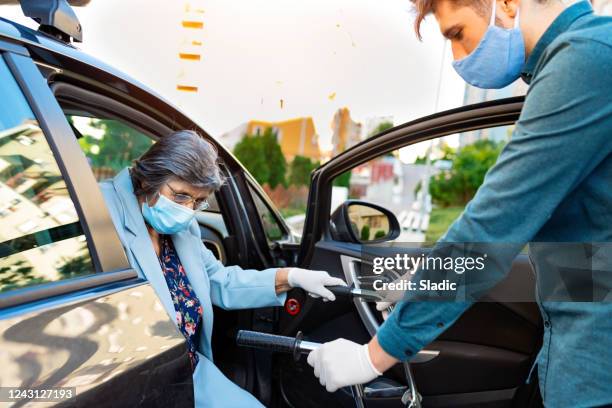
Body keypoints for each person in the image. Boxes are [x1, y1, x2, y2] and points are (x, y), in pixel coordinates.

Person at [307, 0, 612, 406]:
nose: (456, 57)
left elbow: (493, 226)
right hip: (570, 353)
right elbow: (591, 247)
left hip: (593, 377)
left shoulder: (586, 59)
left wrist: (374, 355)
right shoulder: (577, 59)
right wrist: (424, 283)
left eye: (456, 34)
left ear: (505, 3)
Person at [100, 130, 346, 408]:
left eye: (199, 200)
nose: (189, 209)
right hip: (132, 385)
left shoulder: (184, 226)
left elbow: (221, 281)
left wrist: (291, 276)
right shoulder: (100, 210)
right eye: (181, 196)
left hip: (189, 369)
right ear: (149, 177)